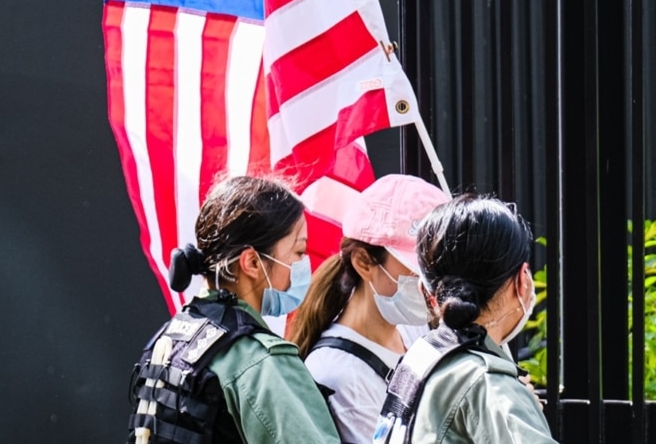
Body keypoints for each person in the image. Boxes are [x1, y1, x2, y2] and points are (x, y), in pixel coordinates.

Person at [127, 175, 340, 444]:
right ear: (251, 262)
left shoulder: (169, 338)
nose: (304, 264)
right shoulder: (260, 360)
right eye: (299, 252)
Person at [373, 195, 557, 444]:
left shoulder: (420, 360)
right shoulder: (489, 384)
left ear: (425, 292)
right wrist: (514, 404)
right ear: (522, 280)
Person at [289, 175, 448, 444]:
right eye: (419, 269)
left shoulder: (412, 326)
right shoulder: (337, 374)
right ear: (364, 262)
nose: (433, 284)